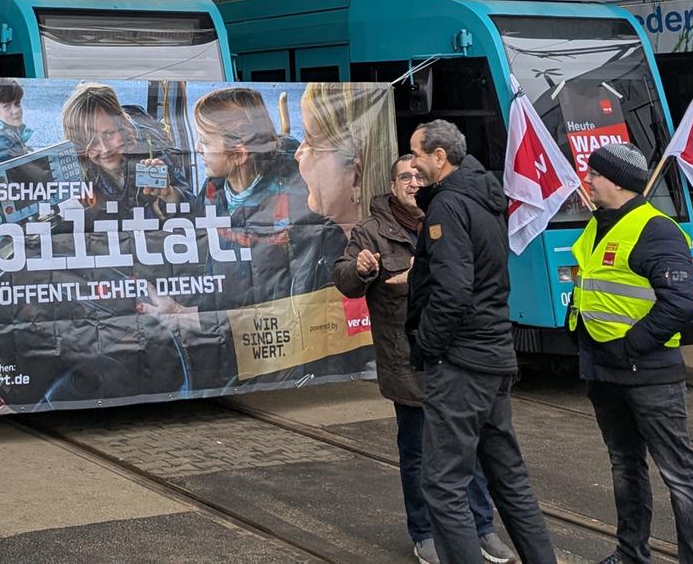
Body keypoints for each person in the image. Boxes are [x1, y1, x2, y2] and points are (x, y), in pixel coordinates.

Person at [334, 154, 513, 564]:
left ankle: (481, 526)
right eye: (404, 177)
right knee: (417, 453)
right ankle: (425, 532)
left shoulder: (454, 216)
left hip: (460, 361)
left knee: (471, 448)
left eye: (418, 175)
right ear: (393, 185)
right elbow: (345, 280)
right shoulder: (372, 231)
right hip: (409, 366)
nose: (412, 182)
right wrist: (361, 270)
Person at [407, 120, 559, 564]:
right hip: (493, 354)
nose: (412, 164)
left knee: (442, 483)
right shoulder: (484, 197)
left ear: (439, 157)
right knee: (508, 476)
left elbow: (453, 290)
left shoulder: (448, 206)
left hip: (462, 362)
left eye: (416, 154)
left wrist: (428, 347)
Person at [571, 144, 693, 564]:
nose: (589, 180)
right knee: (625, 466)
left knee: (679, 476)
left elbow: (679, 305)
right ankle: (631, 553)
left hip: (648, 372)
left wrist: (629, 346)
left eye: (595, 174)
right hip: (603, 368)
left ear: (616, 181)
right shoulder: (598, 224)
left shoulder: (657, 229)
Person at [194, 87, 335, 301]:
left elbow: (305, 272)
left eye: (204, 141)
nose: (196, 148)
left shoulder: (296, 197)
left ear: (238, 154)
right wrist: (171, 197)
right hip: (227, 320)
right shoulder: (212, 188)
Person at [61, 84, 184, 218]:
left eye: (109, 134)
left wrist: (169, 194)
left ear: (123, 126)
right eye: (91, 142)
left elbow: (192, 205)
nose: (105, 149)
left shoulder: (152, 152)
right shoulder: (75, 172)